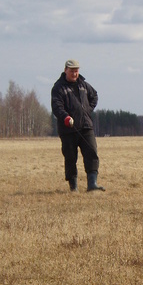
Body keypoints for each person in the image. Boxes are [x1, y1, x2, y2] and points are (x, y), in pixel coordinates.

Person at [51, 59, 105, 192]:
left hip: (86, 127)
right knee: (70, 158)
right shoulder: (58, 87)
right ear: (65, 71)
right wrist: (66, 117)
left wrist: (87, 110)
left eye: (76, 71)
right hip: (68, 129)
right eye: (72, 71)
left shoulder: (84, 85)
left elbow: (95, 96)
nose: (75, 74)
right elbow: (57, 106)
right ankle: (73, 187)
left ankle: (92, 184)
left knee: (92, 153)